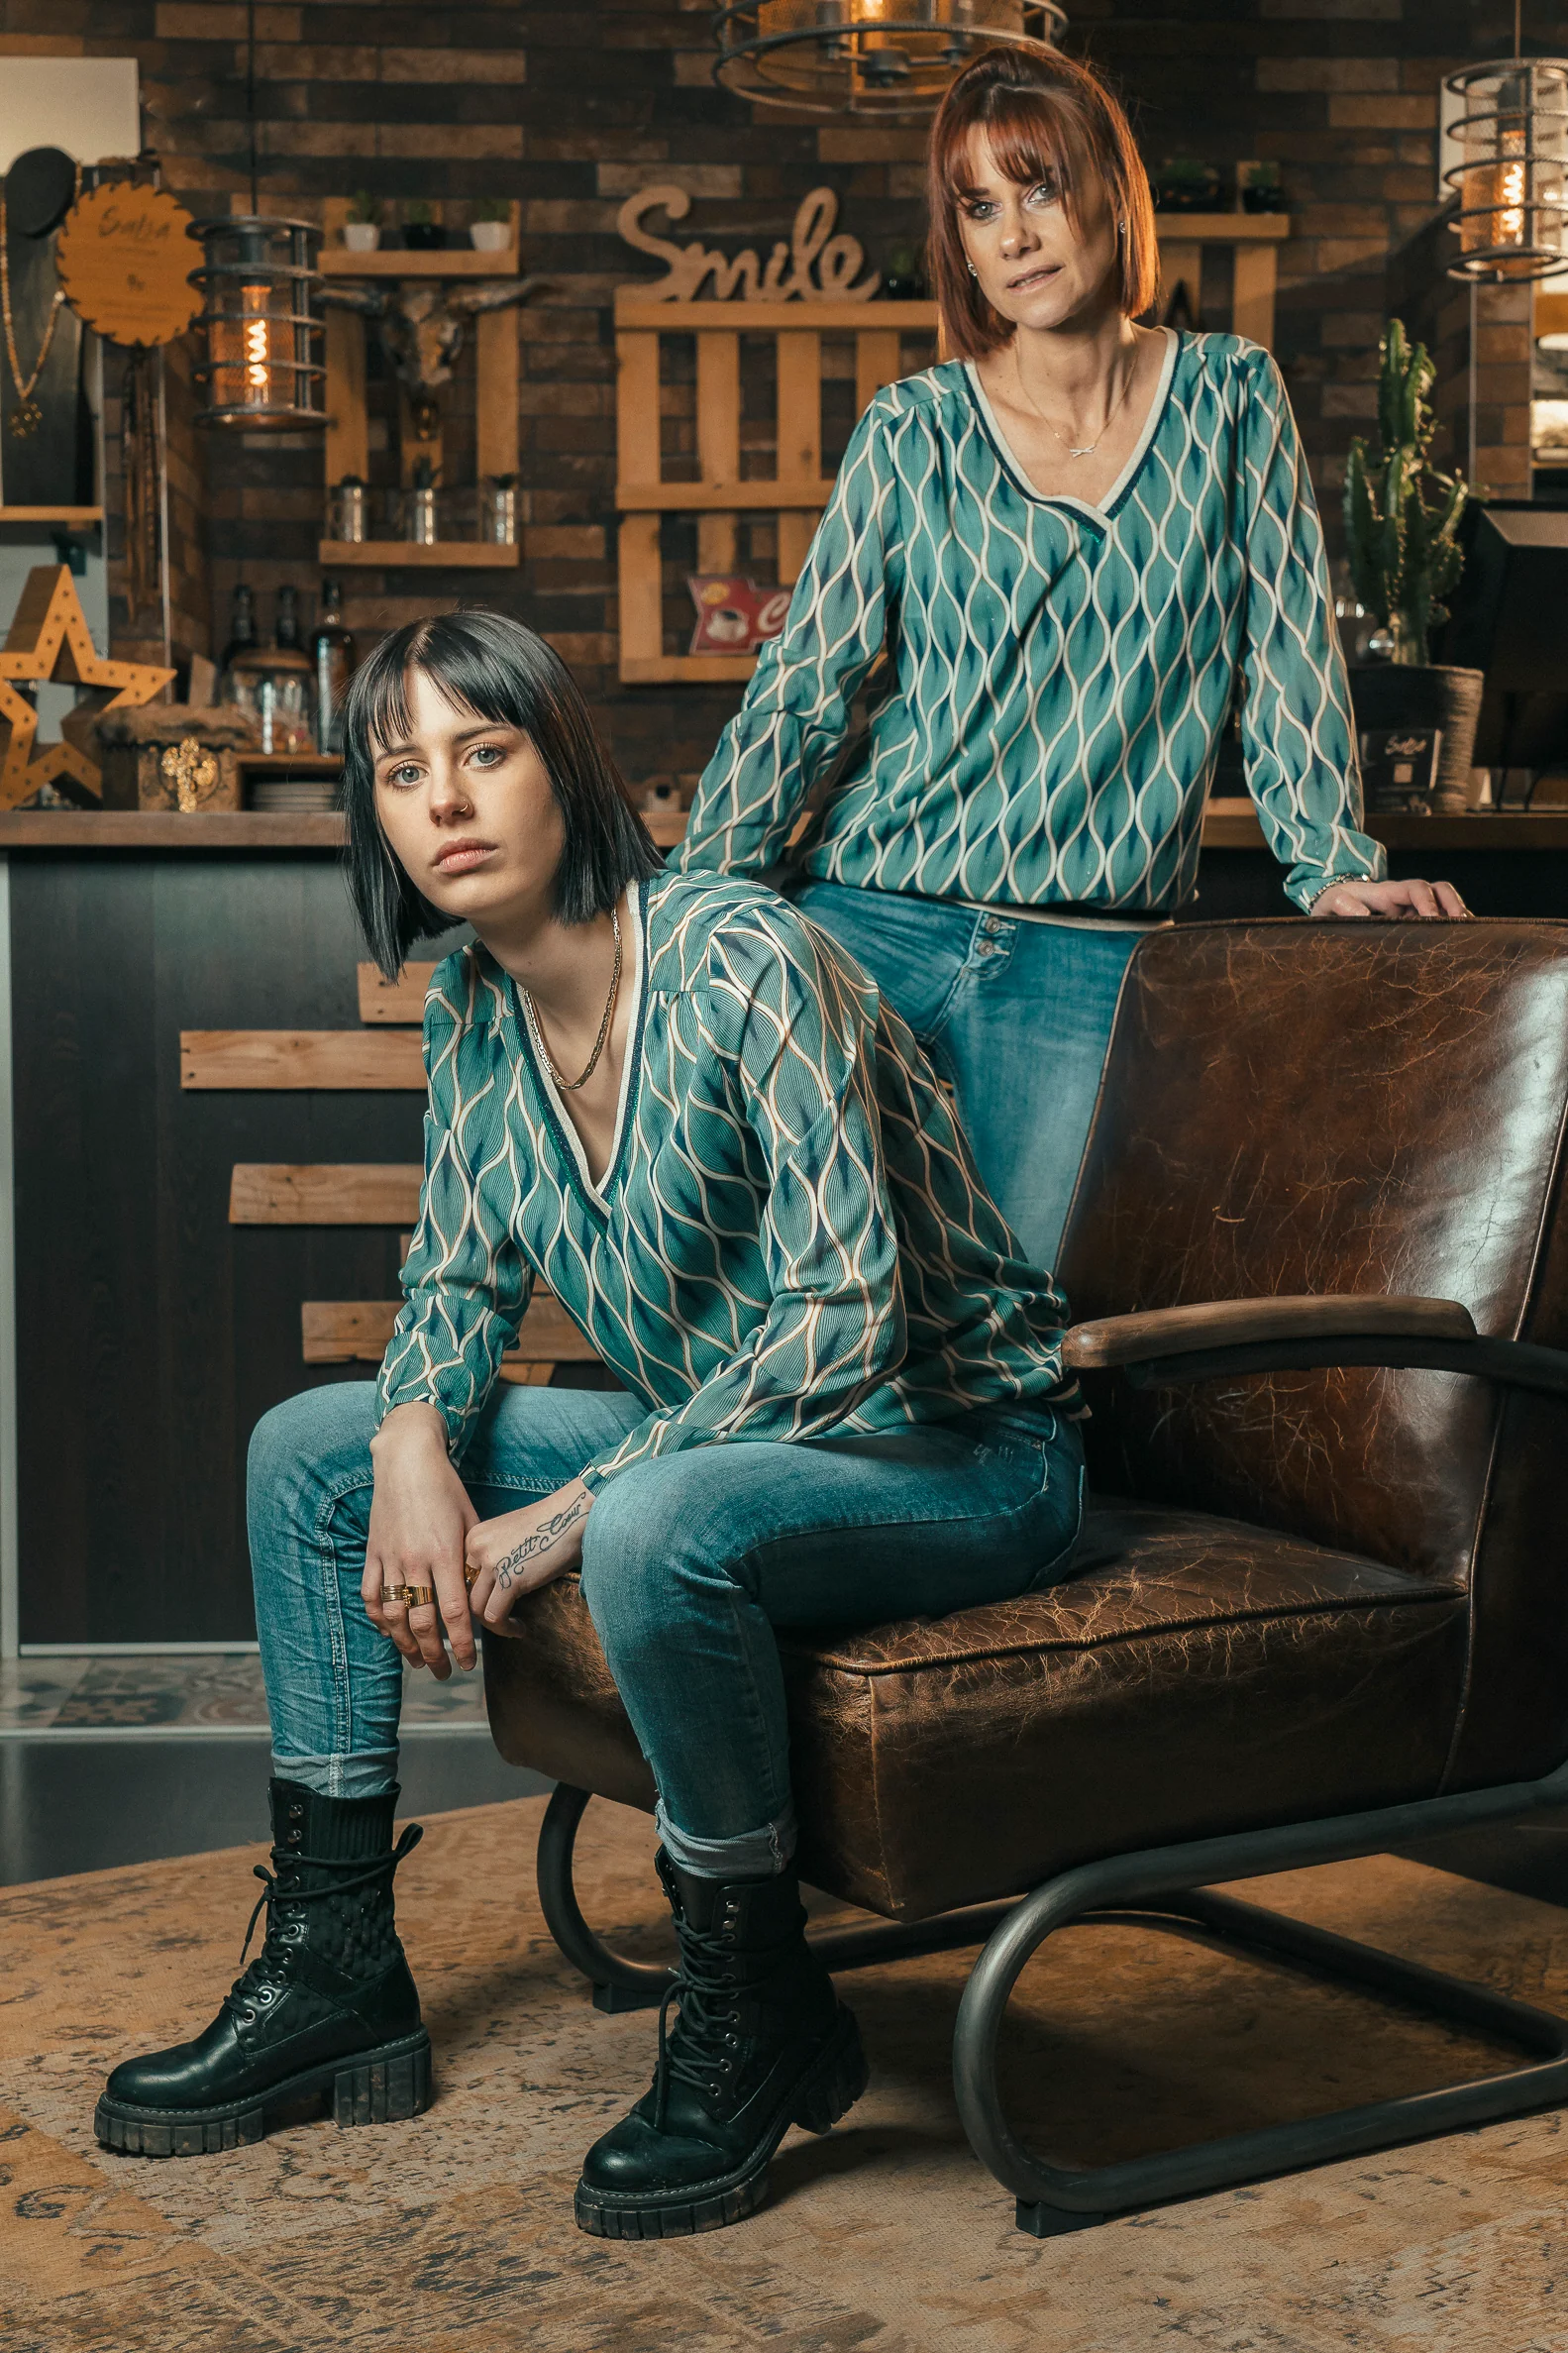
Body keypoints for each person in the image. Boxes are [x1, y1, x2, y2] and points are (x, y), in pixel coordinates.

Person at [94, 609, 1086, 2239]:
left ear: (563, 766)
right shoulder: (474, 1015)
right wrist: (411, 1441)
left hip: (961, 1445)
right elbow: (456, 1280)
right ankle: (337, 1965)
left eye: (482, 751)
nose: (444, 799)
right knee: (309, 1454)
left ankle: (756, 1998)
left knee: (646, 1514)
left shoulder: (744, 955)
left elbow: (844, 1315)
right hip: (726, 1443)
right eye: (400, 772)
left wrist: (565, 1511)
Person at [676, 44, 1467, 1273]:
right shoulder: (911, 429)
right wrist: (689, 905)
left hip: (1085, 954)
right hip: (872, 922)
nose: (1012, 235)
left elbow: (1286, 651)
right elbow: (800, 697)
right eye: (976, 206)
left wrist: (1328, 863)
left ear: (1109, 189)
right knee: (788, 1279)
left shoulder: (1228, 397)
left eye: (1037, 187)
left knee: (1024, 1317)